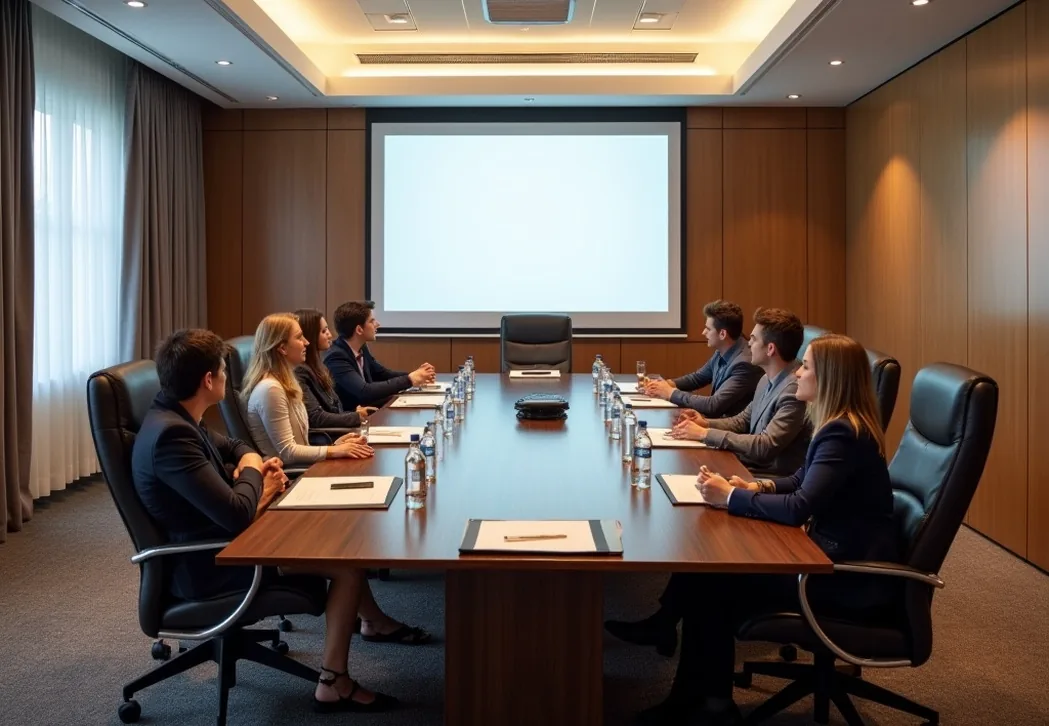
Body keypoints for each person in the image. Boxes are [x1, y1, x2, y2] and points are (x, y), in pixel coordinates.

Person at [608, 334, 901, 725]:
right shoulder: (841, 424)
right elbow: (799, 480)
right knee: (706, 573)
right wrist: (754, 486)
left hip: (841, 578)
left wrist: (729, 498)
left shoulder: (841, 433)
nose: (799, 373)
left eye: (808, 366)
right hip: (829, 555)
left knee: (712, 581)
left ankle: (701, 704)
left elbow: (799, 507)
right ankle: (700, 697)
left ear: (829, 377)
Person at [132, 329, 398, 712]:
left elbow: (239, 448)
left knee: (338, 541)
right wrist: (258, 479)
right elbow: (238, 513)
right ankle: (333, 681)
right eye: (223, 371)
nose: (227, 377)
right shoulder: (172, 436)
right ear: (209, 380)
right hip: (212, 563)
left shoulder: (179, 415)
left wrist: (250, 469)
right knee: (347, 567)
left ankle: (371, 625)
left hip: (228, 536)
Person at [667, 307, 810, 476]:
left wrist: (705, 434)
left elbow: (765, 447)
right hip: (747, 464)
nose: (748, 344)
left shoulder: (793, 390)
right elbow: (743, 421)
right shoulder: (766, 379)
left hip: (767, 477)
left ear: (770, 349)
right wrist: (705, 424)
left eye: (754, 339)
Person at [243, 313, 373, 467]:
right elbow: (288, 452)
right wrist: (333, 451)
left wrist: (336, 445)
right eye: (299, 337)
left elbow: (300, 443)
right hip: (291, 477)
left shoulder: (286, 382)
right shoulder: (270, 389)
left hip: (306, 467)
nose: (306, 342)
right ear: (282, 348)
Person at [641, 300, 761, 417]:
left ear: (722, 334)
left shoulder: (744, 364)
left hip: (730, 430)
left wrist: (670, 393)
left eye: (708, 329)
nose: (703, 332)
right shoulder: (725, 348)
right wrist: (664, 384)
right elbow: (698, 378)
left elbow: (713, 405)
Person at [325, 300, 435, 411]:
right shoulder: (336, 357)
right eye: (372, 321)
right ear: (359, 329)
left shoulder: (361, 347)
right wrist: (410, 379)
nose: (377, 324)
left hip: (371, 411)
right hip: (353, 418)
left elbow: (382, 374)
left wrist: (417, 375)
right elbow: (364, 391)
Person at [294, 308, 376, 431]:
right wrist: (355, 416)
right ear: (309, 335)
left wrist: (353, 413)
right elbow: (316, 417)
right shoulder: (300, 372)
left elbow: (332, 409)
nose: (330, 335)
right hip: (327, 438)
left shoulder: (319, 366)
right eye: (323, 331)